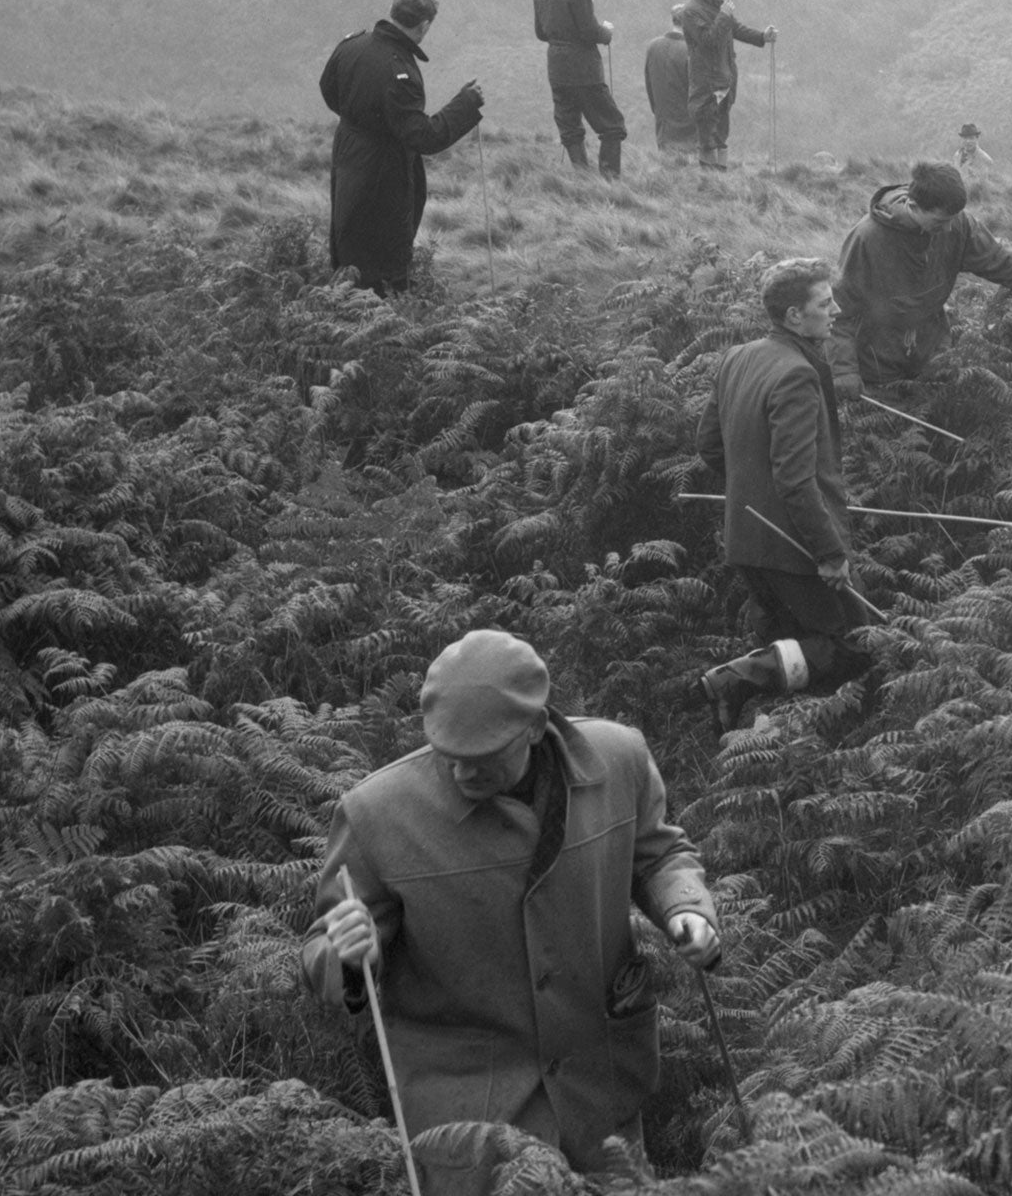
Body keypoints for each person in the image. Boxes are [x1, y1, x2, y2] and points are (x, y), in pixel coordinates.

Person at [301, 630, 719, 1191]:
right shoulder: (377, 815)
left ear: (536, 726)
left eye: (482, 759)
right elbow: (321, 950)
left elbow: (660, 853)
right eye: (448, 756)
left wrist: (685, 908)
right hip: (472, 1120)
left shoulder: (617, 760)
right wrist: (350, 956)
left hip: (602, 1090)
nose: (460, 774)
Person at [697, 258, 869, 727]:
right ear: (794, 316)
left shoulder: (738, 356)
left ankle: (756, 739)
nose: (835, 310)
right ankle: (737, 680)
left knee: (790, 643)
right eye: (824, 302)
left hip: (747, 540)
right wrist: (830, 552)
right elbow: (795, 480)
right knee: (857, 643)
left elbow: (709, 446)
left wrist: (751, 491)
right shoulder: (798, 373)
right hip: (795, 547)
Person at [830, 159, 1012, 393]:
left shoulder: (958, 225)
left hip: (932, 347)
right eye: (941, 221)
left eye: (954, 219)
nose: (950, 228)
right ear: (912, 205)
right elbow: (840, 308)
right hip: (879, 358)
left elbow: (1004, 263)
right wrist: (843, 371)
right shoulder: (868, 239)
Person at [320, 0, 483, 297]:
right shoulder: (399, 72)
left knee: (348, 235)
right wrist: (465, 105)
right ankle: (384, 310)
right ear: (423, 26)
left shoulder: (351, 45)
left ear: (392, 13)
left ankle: (344, 303)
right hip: (383, 169)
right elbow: (423, 136)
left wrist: (359, 119)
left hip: (347, 151)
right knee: (384, 250)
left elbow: (328, 90)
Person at [532, 0, 626, 179]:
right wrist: (606, 31)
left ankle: (582, 179)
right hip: (584, 70)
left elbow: (541, 33)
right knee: (612, 125)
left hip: (556, 69)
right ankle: (610, 181)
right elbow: (590, 33)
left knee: (570, 128)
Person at [679, 0, 776, 170]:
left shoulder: (718, 5)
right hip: (706, 85)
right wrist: (724, 15)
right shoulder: (690, 12)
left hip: (725, 82)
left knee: (721, 136)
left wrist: (762, 37)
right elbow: (708, 41)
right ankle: (710, 184)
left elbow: (735, 29)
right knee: (707, 139)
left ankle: (722, 182)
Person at [643, 4, 693, 157]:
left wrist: (658, 112)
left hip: (664, 128)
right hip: (690, 132)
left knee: (666, 175)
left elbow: (649, 85)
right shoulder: (691, 51)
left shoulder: (653, 47)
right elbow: (697, 92)